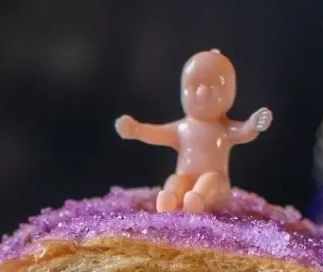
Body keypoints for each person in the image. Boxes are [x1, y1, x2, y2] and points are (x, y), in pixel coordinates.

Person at [116, 49, 272, 212]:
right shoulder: (182, 128)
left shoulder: (223, 129)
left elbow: (243, 132)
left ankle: (197, 200)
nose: (202, 92)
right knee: (176, 180)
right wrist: (136, 129)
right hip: (186, 178)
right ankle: (170, 197)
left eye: (213, 87)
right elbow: (156, 133)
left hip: (216, 188)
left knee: (209, 180)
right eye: (195, 86)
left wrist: (253, 124)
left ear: (229, 93)